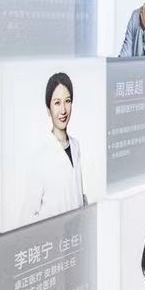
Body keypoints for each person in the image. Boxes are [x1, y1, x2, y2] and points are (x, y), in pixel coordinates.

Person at [21, 72, 87, 221]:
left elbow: (76, 193)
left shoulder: (75, 146)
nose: (63, 110)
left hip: (78, 230)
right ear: (48, 109)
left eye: (67, 101)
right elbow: (30, 213)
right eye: (57, 103)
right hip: (55, 232)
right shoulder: (40, 157)